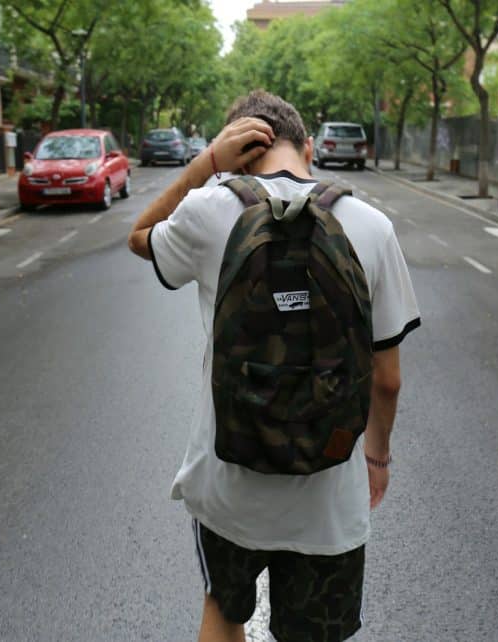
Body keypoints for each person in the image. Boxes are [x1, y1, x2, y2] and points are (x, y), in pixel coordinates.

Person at [127, 91, 419, 642]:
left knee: (223, 612)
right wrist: (376, 458)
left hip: (228, 485)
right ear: (308, 146)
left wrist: (205, 166)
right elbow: (387, 378)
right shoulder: (373, 226)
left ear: (238, 151)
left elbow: (139, 236)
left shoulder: (209, 211)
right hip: (329, 499)